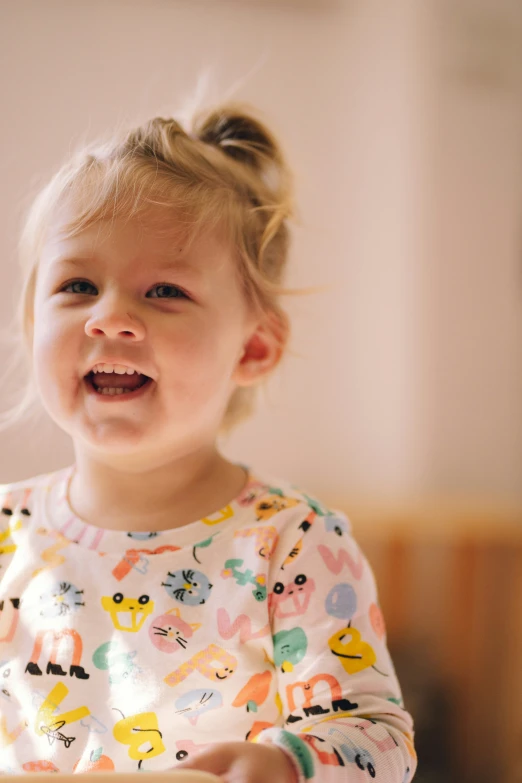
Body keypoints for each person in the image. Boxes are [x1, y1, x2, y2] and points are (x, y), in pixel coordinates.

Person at [0, 102, 417, 782]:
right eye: (77, 285)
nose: (110, 315)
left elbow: (380, 743)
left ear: (252, 347)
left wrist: (287, 765)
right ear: (31, 321)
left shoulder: (295, 544)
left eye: (164, 290)